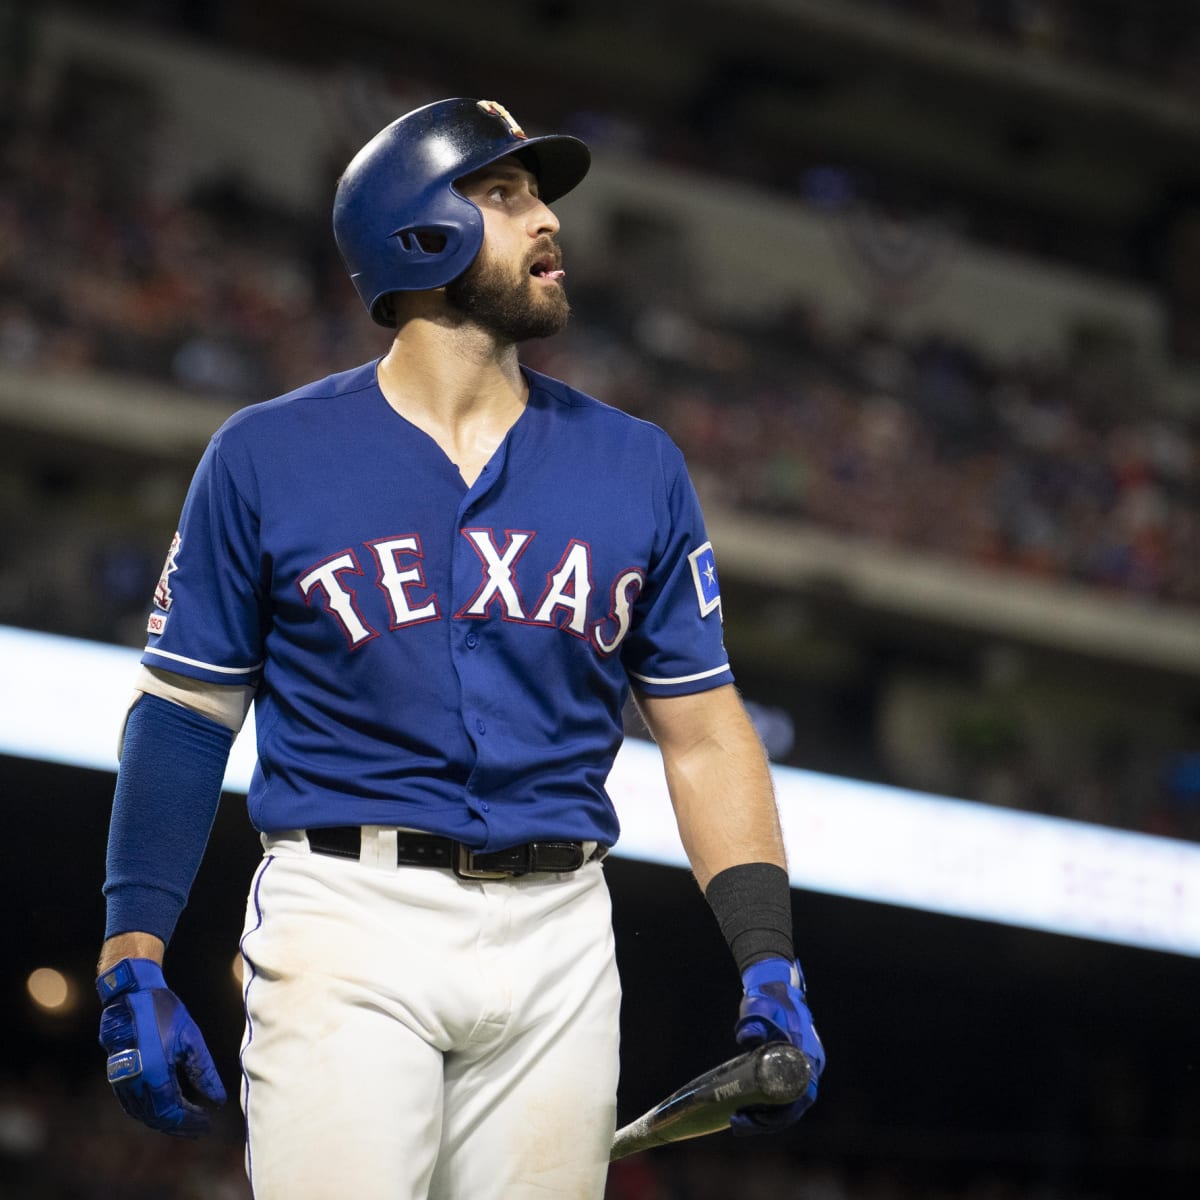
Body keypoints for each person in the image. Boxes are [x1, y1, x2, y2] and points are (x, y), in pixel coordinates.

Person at [95, 96, 825, 1199]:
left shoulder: (637, 466)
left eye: (536, 195)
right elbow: (187, 716)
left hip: (562, 933)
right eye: (504, 194)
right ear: (415, 232)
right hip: (348, 917)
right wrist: (131, 950)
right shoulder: (266, 455)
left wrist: (769, 956)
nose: (547, 222)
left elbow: (707, 734)